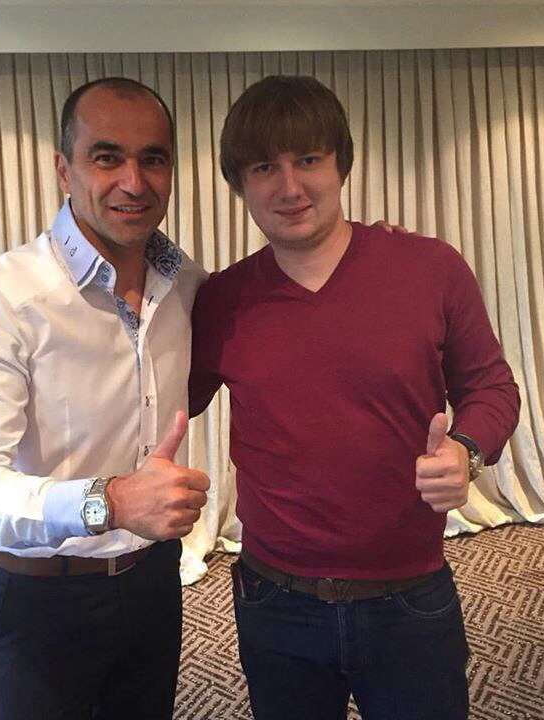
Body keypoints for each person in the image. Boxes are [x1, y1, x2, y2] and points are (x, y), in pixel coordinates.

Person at [189, 75, 521, 720]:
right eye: (265, 168)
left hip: (409, 595)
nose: (290, 187)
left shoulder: (430, 268)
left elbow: (491, 386)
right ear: (240, 185)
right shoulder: (223, 300)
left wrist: (467, 448)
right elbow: (160, 399)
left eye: (308, 159)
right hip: (275, 599)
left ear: (341, 164)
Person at [0, 77, 210, 720]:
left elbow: (273, 306)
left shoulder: (187, 284)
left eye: (153, 158)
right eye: (107, 157)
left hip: (152, 580)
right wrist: (109, 501)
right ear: (64, 169)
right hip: (39, 596)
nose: (133, 182)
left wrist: (367, 249)